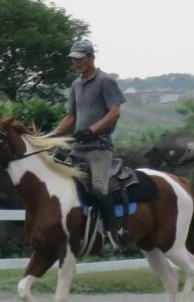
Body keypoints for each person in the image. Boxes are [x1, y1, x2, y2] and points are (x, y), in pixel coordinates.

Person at [51, 39, 126, 251]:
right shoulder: (76, 85)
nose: (76, 63)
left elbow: (115, 111)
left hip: (99, 148)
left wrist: (92, 130)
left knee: (99, 187)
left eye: (80, 59)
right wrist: (51, 135)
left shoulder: (105, 81)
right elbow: (70, 117)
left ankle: (113, 233)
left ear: (91, 57)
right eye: (73, 60)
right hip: (79, 148)